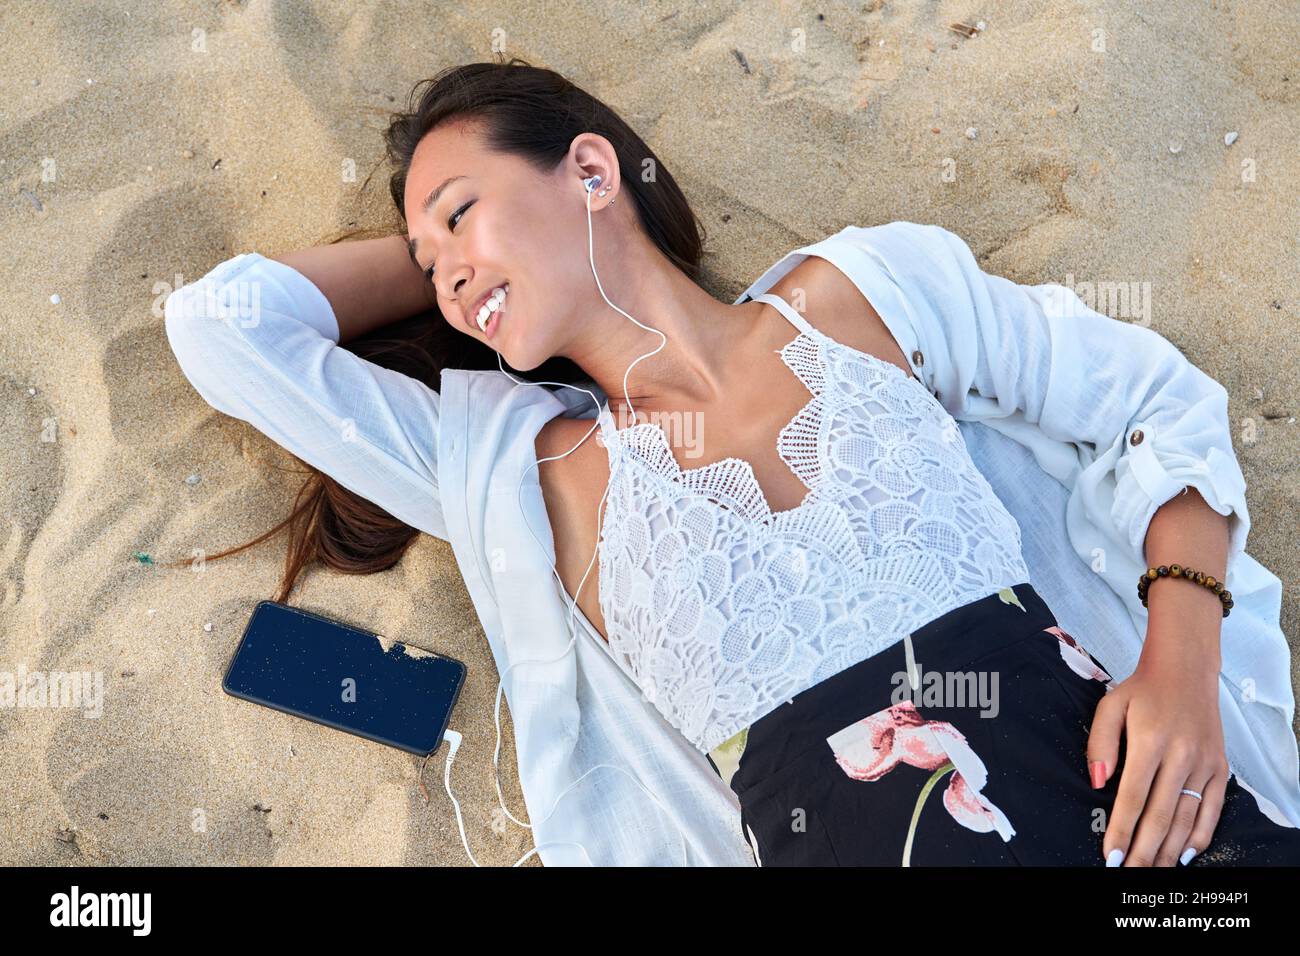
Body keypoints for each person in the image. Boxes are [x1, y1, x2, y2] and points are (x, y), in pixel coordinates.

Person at [163, 58, 1300, 866]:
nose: (445, 270)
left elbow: (1151, 404)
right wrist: (462, 260)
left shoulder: (860, 295)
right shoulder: (523, 469)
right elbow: (224, 328)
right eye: (425, 256)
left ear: (590, 167)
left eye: (460, 215)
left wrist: (1182, 663)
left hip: (1155, 818)